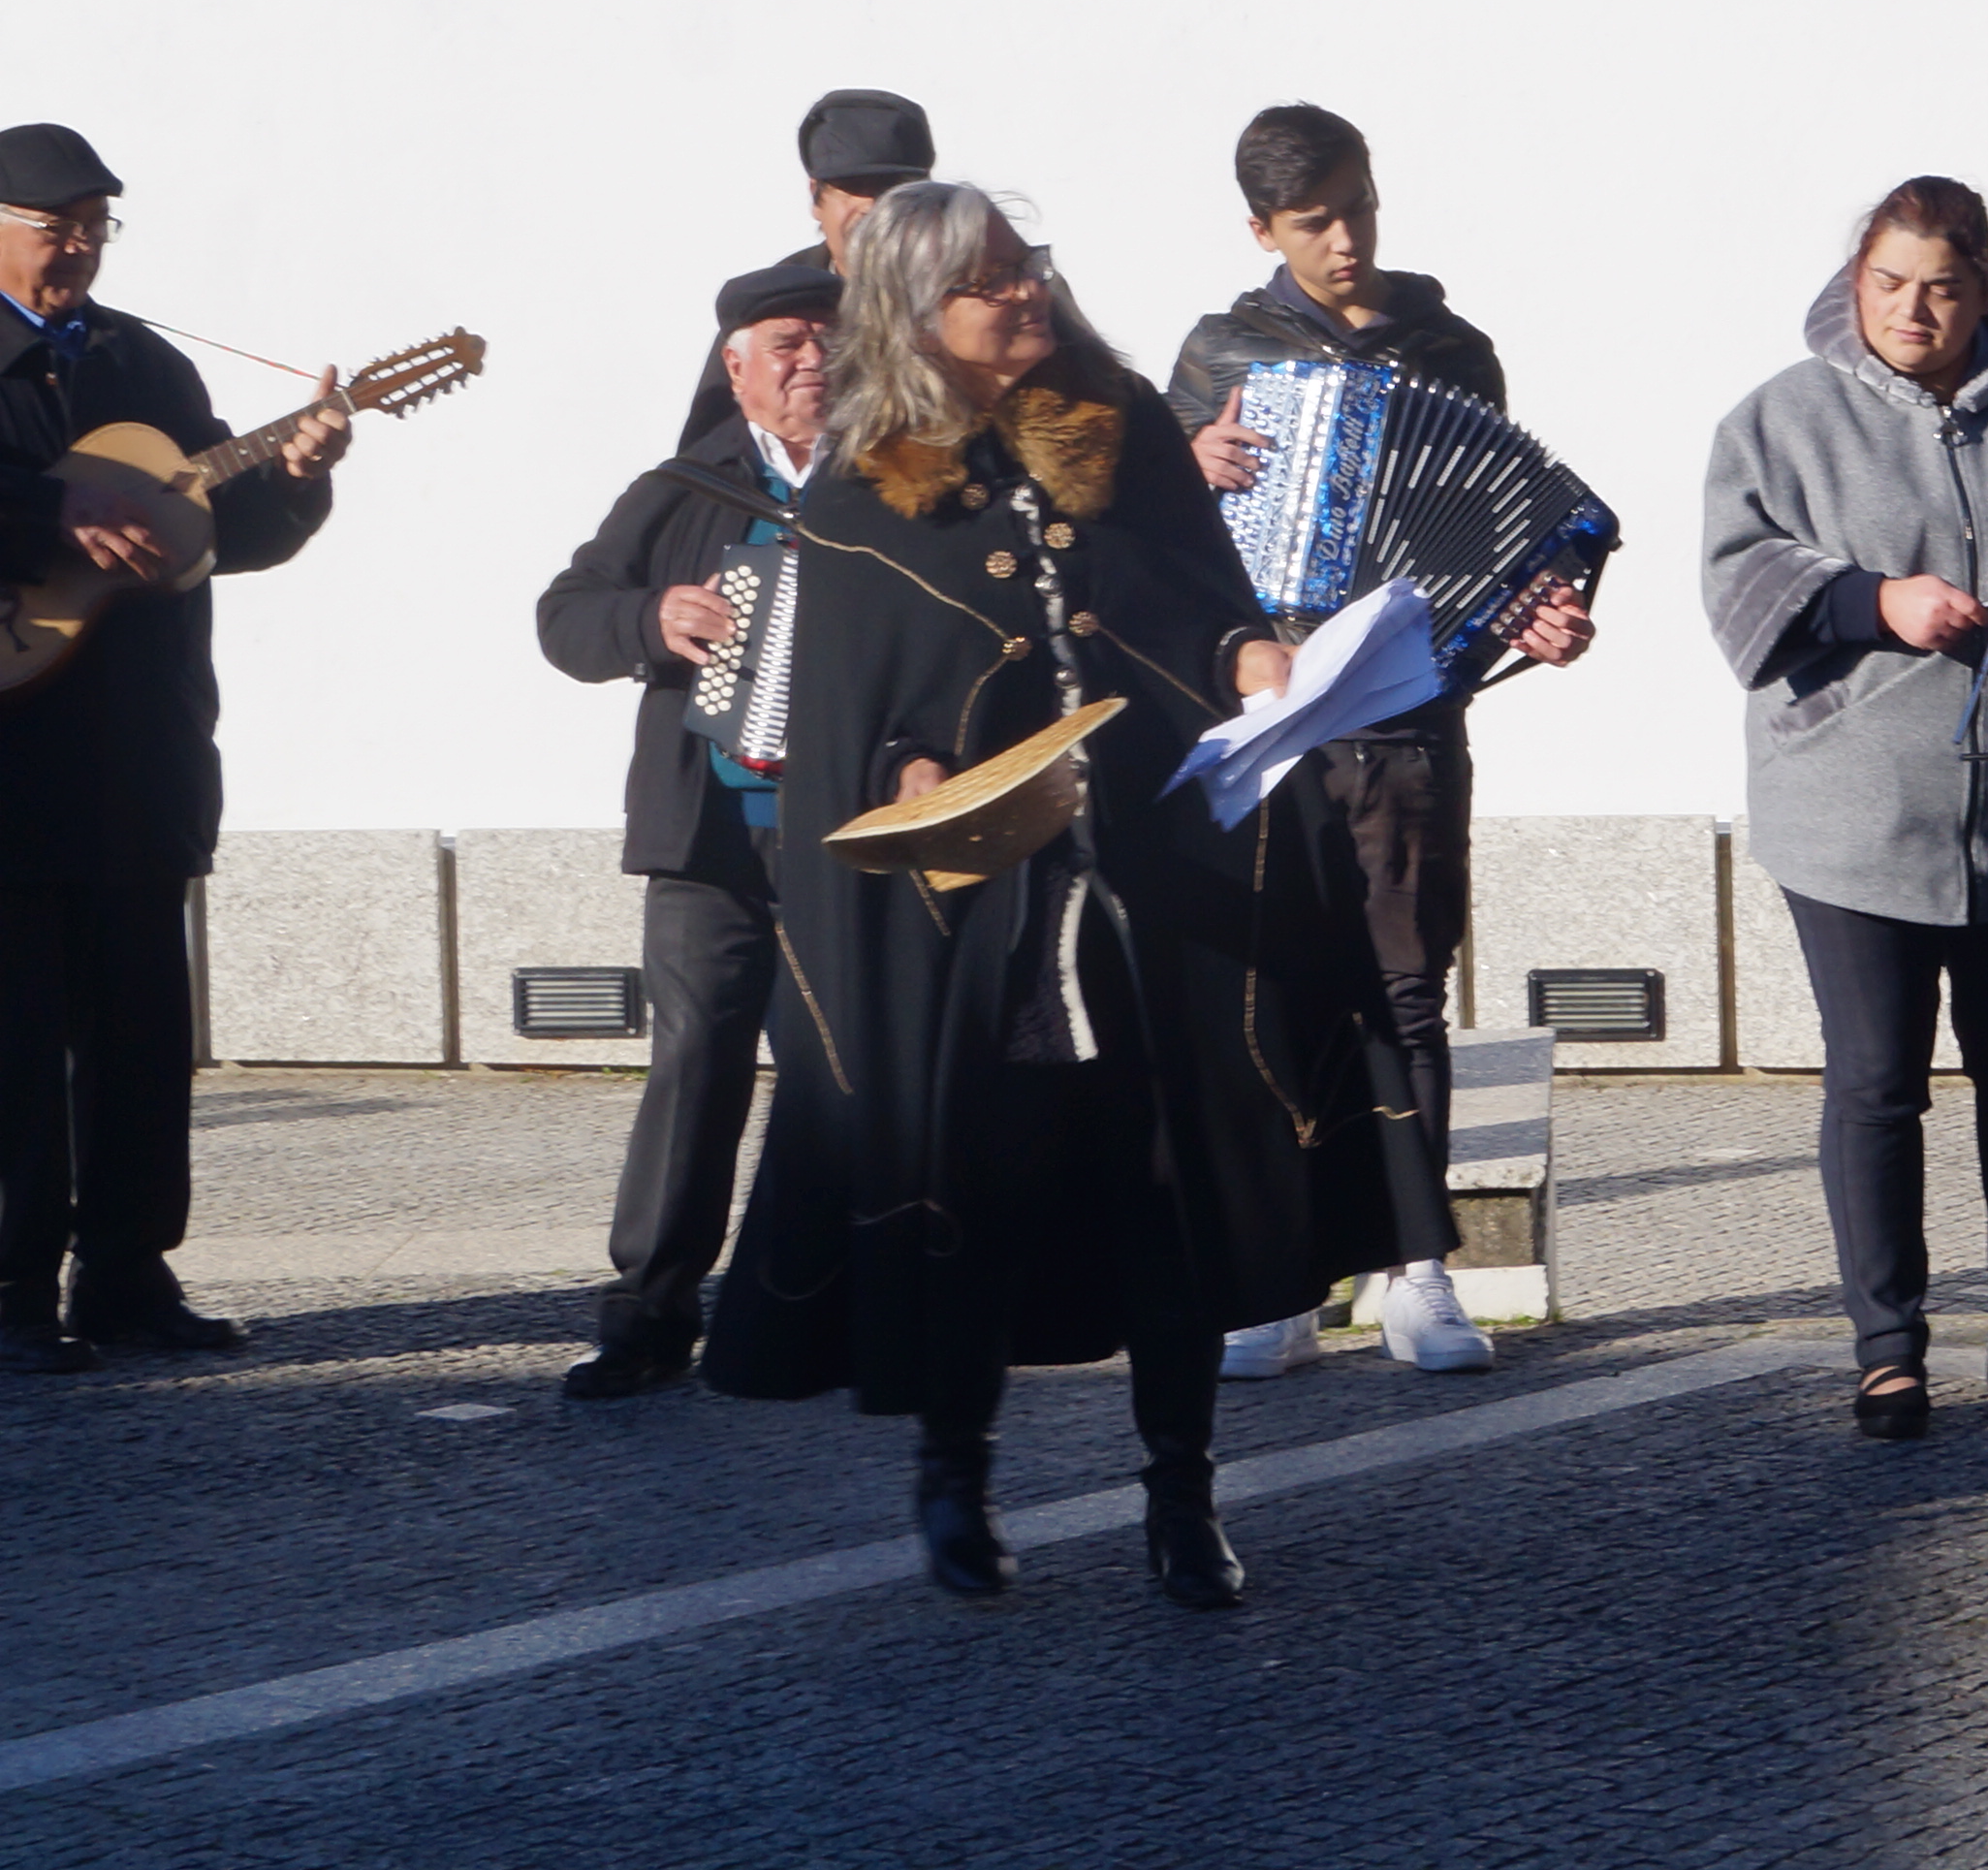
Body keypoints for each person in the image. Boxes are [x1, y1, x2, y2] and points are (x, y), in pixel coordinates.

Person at [704, 184, 1431, 1608]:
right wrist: (915, 770)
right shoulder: (859, 494)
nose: (1024, 291)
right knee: (976, 1196)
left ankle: (1182, 1495)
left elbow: (1198, 604)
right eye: (987, 281)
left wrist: (1254, 663)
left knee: (1171, 1198)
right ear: (916, 316)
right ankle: (955, 1472)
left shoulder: (1123, 428)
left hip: (1151, 885)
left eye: (1025, 264)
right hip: (985, 925)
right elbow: (858, 720)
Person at [1702, 176, 1988, 1440]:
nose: (1913, 311)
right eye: (1890, 283)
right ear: (1855, 280)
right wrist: (1874, 601)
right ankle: (1888, 1351)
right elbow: (1739, 574)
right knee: (1875, 1082)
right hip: (1850, 810)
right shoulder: (1779, 421)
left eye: (1942, 289)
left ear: (1984, 292)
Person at [1167, 102, 1592, 1383]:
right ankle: (1282, 1278)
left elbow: (1501, 532)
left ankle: (1416, 1270)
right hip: (1275, 718)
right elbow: (1159, 543)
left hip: (1408, 712)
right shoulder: (1218, 355)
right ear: (1262, 231)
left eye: (1360, 208)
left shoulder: (1451, 351)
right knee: (1280, 992)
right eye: (1316, 223)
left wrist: (1538, 610)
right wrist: (1186, 462)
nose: (1347, 240)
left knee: (1407, 987)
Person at [0, 122, 350, 1375]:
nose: (80, 249)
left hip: (141, 744)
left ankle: (128, 1274)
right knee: (14, 1044)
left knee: (144, 1032)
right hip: (13, 756)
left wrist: (295, 477)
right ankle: (9, 1296)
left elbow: (221, 534)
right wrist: (54, 509)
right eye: (56, 227)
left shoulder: (143, 363)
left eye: (96, 226)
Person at [534, 253, 836, 1401]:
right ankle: (649, 1313)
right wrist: (648, 617)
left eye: (829, 341)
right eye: (788, 344)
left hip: (843, 835)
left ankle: (813, 1305)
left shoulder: (889, 483)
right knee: (698, 1061)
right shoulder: (680, 488)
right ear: (736, 366)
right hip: (708, 834)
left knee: (834, 1074)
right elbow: (565, 616)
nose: (812, 361)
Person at [681, 89, 931, 443]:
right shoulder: (773, 304)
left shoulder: (969, 289)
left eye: (892, 189)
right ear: (816, 196)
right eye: (853, 187)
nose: (872, 207)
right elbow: (708, 454)